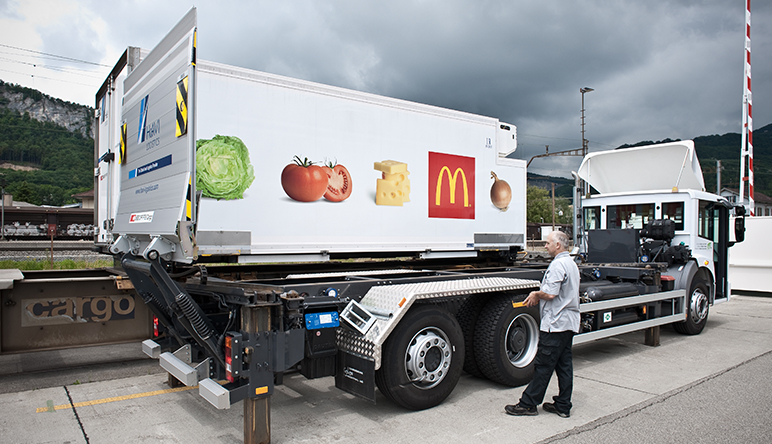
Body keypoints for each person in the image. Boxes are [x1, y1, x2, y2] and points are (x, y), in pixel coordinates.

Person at [505, 230, 580, 418]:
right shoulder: (571, 264)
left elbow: (551, 294)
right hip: (568, 323)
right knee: (564, 366)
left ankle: (528, 404)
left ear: (558, 245)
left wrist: (536, 294)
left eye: (547, 243)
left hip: (555, 324)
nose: (545, 246)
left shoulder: (558, 265)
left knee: (543, 365)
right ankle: (563, 405)